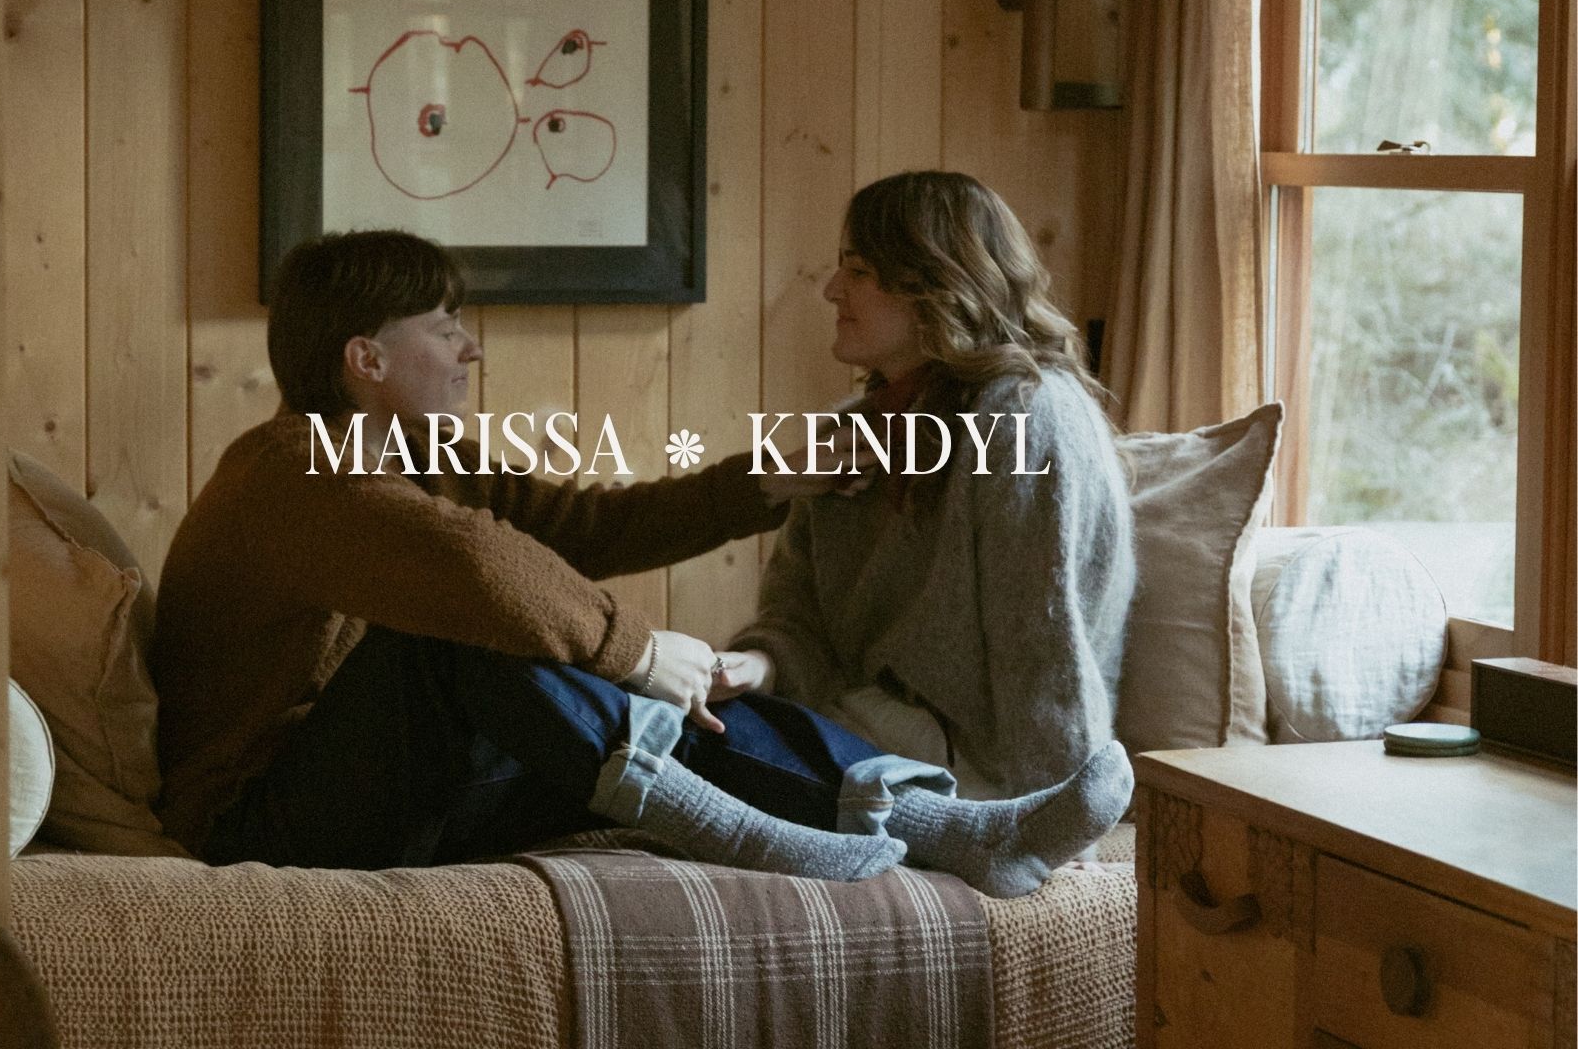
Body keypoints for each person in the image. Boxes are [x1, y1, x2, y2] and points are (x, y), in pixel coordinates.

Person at [149, 228, 1131, 896]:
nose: (470, 349)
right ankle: (737, 830)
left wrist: (765, 482)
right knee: (461, 635)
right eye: (445, 326)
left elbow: (582, 529)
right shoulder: (294, 468)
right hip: (261, 823)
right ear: (364, 359)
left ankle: (961, 832)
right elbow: (478, 570)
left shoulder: (418, 458)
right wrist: (636, 648)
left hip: (398, 795)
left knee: (669, 704)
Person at [714, 171, 1136, 803]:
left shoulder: (1025, 414)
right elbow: (797, 613)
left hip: (975, 771)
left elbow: (1042, 646)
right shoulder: (857, 427)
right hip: (860, 727)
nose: (831, 291)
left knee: (650, 741)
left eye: (857, 272)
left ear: (933, 284)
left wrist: (1058, 812)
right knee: (651, 722)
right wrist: (759, 664)